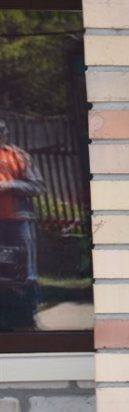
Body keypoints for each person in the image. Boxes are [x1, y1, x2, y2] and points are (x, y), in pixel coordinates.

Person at [0, 119, 45, 330]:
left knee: (25, 271)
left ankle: (27, 315)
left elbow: (37, 186)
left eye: (2, 130)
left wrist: (8, 185)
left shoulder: (18, 156)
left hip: (18, 222)